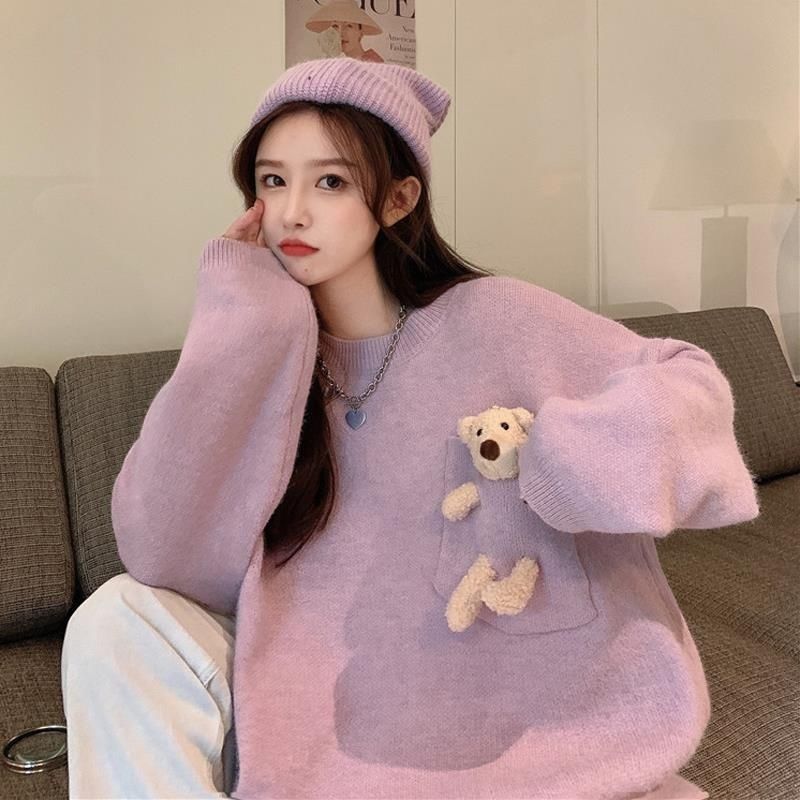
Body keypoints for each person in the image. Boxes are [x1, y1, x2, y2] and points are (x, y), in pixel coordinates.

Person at [60, 56, 760, 800]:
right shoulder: (262, 350)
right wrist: (238, 318)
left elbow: (686, 380)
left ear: (397, 200)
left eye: (330, 182)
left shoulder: (494, 318)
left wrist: (568, 462)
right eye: (273, 181)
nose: (293, 211)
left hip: (474, 689)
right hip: (298, 669)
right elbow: (165, 557)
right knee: (113, 619)